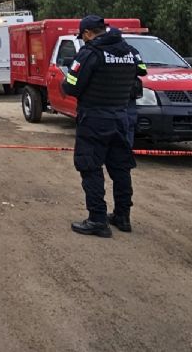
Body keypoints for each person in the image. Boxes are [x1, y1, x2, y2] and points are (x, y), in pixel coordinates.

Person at [61, 15, 140, 237]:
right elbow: (138, 77)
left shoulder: (89, 53)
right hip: (121, 118)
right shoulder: (129, 51)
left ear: (87, 33)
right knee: (120, 168)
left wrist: (65, 82)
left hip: (94, 119)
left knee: (90, 167)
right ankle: (123, 217)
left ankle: (97, 220)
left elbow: (72, 87)